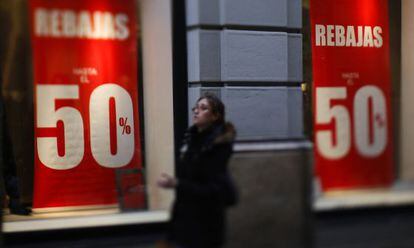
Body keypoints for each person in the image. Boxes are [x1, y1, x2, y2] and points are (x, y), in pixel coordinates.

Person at [157, 93, 238, 248]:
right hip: (186, 222)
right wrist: (170, 233)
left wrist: (177, 183)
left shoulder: (218, 146)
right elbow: (183, 191)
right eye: (196, 107)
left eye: (203, 108)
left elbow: (213, 189)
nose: (196, 111)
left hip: (206, 223)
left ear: (215, 116)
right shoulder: (191, 140)